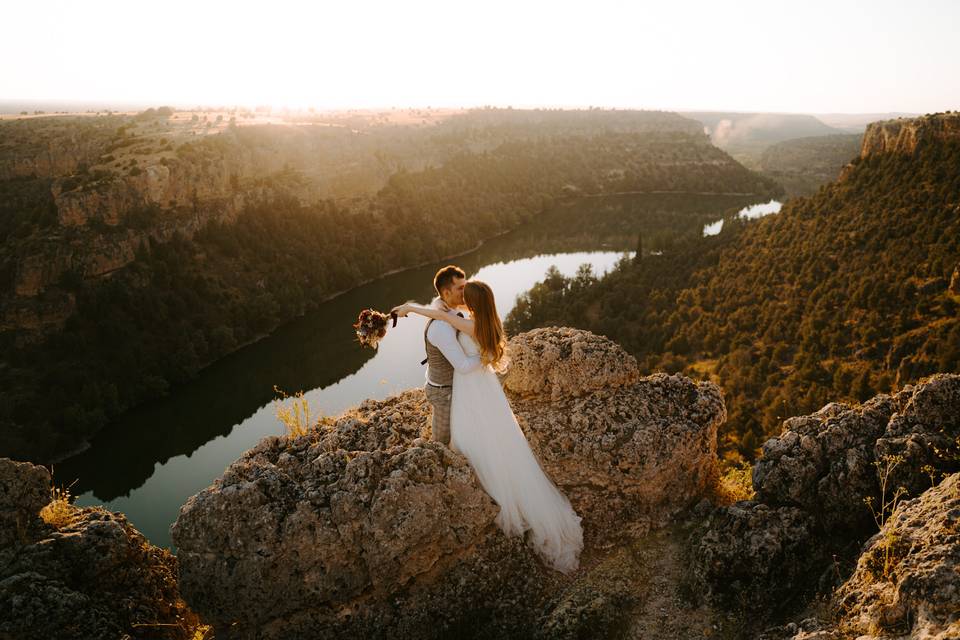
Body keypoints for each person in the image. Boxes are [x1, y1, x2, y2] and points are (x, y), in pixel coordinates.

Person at [392, 280, 584, 574]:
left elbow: (442, 320)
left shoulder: (469, 324)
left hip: (472, 387)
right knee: (497, 433)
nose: (459, 295)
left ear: (472, 303)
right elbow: (447, 318)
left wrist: (409, 309)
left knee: (473, 438)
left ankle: (493, 484)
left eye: (464, 294)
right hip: (485, 388)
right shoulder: (486, 321)